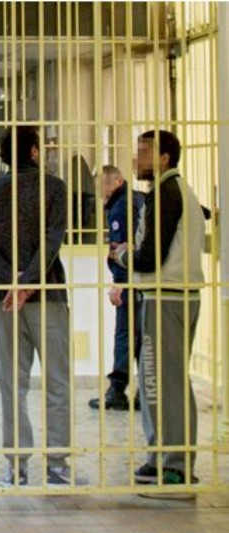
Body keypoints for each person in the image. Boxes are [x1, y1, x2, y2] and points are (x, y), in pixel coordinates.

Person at [0, 125, 86, 487]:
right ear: (35, 151)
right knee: (57, 383)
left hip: (4, 300)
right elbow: (53, 240)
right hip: (48, 296)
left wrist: (13, 281)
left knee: (12, 386)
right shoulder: (55, 188)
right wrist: (31, 281)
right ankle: (57, 467)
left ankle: (16, 468)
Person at [112, 130, 206, 491]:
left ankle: (176, 464)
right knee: (161, 379)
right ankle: (160, 456)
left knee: (163, 381)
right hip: (177, 294)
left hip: (168, 295)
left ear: (164, 157)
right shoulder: (178, 191)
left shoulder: (166, 193)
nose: (137, 160)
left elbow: (150, 256)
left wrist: (122, 254)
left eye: (144, 152)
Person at [89, 165, 144, 411]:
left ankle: (117, 390)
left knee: (125, 334)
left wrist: (119, 283)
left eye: (104, 184)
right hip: (144, 280)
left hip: (130, 281)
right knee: (141, 336)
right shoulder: (136, 199)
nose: (100, 190)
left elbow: (122, 248)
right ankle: (145, 392)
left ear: (118, 182)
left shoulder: (121, 207)